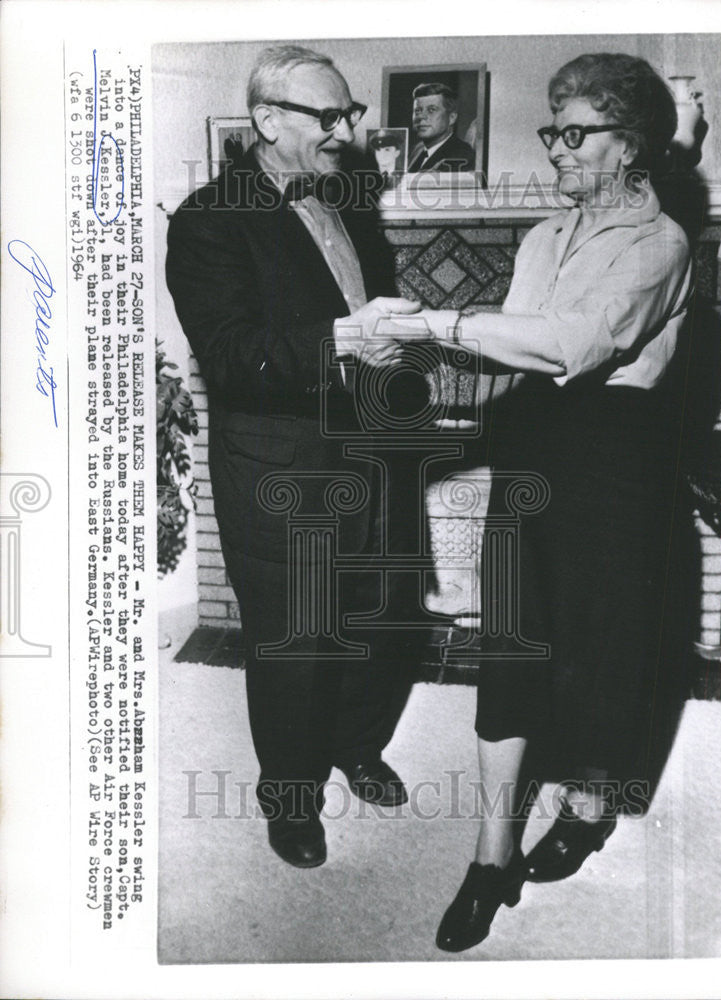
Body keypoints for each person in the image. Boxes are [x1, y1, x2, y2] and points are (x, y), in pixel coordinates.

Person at [391, 52, 693, 951]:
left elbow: (568, 344)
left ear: (630, 143)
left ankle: (588, 808)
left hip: (613, 465)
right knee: (511, 647)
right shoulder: (537, 237)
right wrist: (409, 361)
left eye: (575, 132)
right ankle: (489, 858)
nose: (555, 147)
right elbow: (509, 354)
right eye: (550, 129)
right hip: (534, 452)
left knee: (603, 649)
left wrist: (435, 322)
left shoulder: (659, 242)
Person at [166, 45, 421, 869]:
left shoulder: (342, 198)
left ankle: (354, 745)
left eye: (350, 114)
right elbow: (235, 355)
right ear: (268, 122)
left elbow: (356, 309)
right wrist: (345, 338)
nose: (348, 133)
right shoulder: (209, 217)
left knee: (372, 621)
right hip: (280, 469)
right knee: (295, 644)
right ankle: (291, 798)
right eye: (331, 117)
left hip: (368, 455)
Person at [407, 82, 475, 172]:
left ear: (452, 118)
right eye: (418, 111)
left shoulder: (463, 155)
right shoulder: (417, 149)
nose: (421, 117)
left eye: (431, 110)